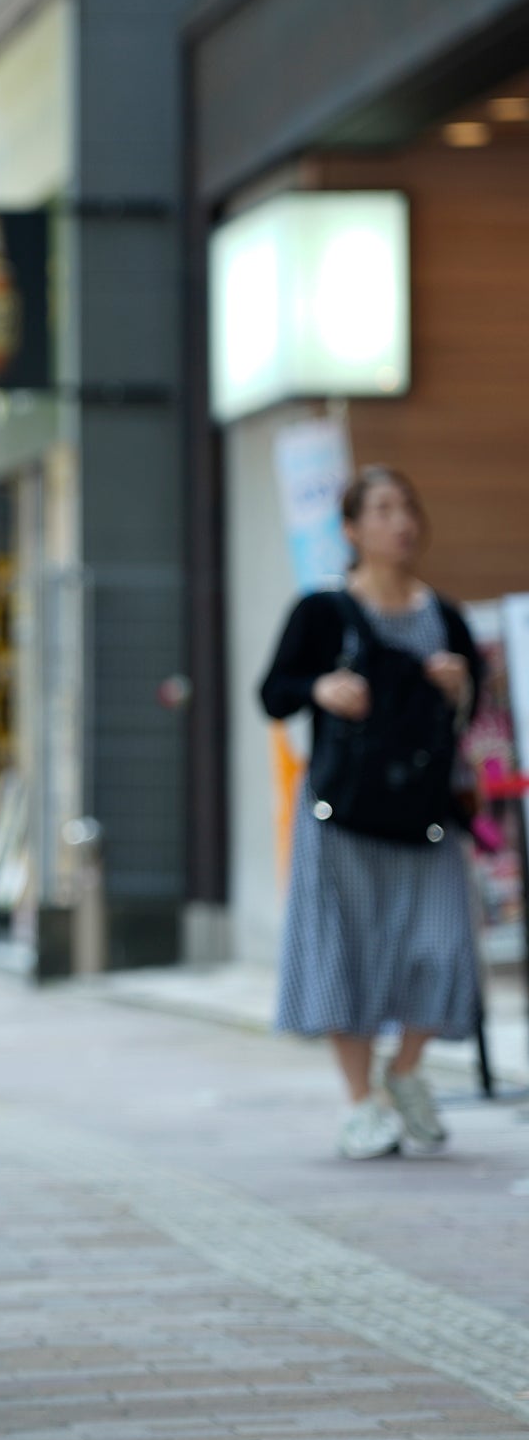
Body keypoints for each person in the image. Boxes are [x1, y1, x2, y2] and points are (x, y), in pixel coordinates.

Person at [259, 464, 483, 1161]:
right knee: (343, 957)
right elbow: (273, 693)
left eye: (407, 508)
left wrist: (462, 686)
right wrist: (321, 687)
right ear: (352, 530)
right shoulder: (322, 612)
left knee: (444, 948)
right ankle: (360, 1105)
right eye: (383, 510)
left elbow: (478, 717)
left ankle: (406, 1070)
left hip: (426, 815)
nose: (401, 522)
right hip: (343, 817)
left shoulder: (445, 617)